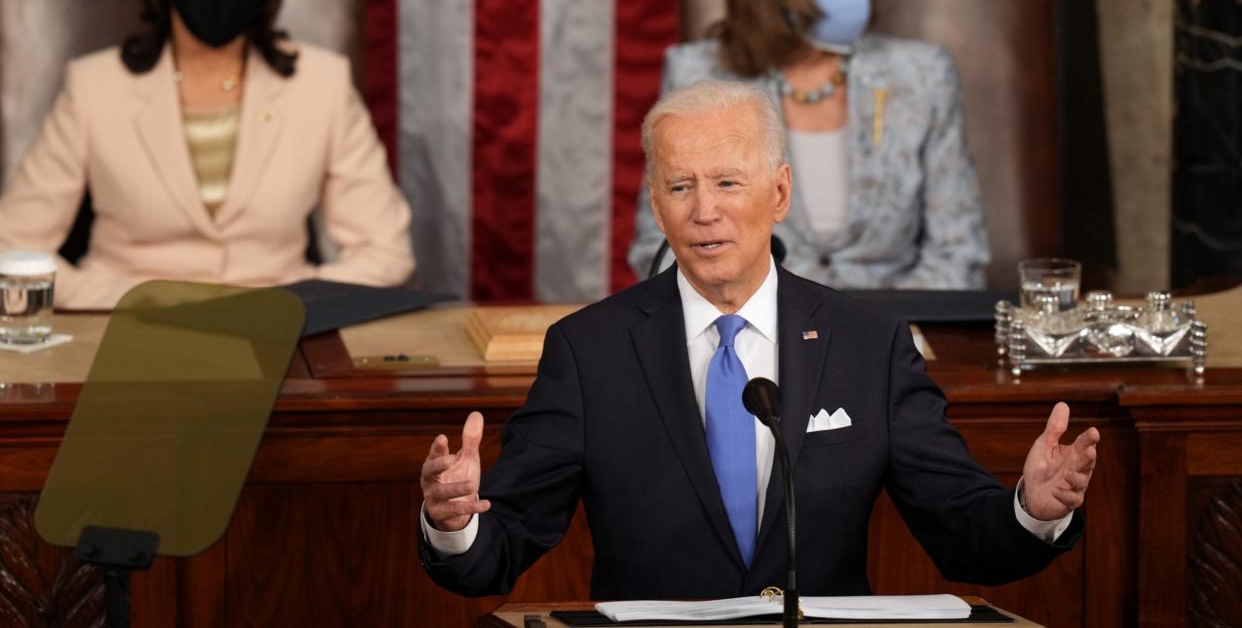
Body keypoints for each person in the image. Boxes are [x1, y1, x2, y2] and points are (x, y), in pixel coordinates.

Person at [418, 80, 1099, 599]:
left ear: (779, 193)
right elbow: (496, 551)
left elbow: (966, 536)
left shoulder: (867, 345)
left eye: (727, 183)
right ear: (656, 205)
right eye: (680, 186)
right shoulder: (590, 351)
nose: (704, 210)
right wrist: (454, 523)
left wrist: (1033, 511)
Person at [0, 0, 414, 309]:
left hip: (275, 338)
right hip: (126, 333)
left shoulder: (322, 82)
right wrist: (128, 299)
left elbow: (387, 252)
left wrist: (288, 304)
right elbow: (11, 246)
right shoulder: (95, 85)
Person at [628, 0, 988, 290]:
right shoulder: (697, 75)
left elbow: (959, 252)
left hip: (895, 329)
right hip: (754, 328)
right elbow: (658, 249)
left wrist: (874, 332)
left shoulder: (922, 75)